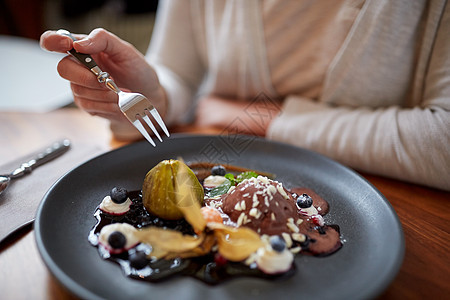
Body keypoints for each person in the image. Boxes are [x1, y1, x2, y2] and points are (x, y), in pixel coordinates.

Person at [40, 0, 450, 191]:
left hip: (396, 201)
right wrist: (157, 94)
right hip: (217, 160)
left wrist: (260, 116)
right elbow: (179, 72)